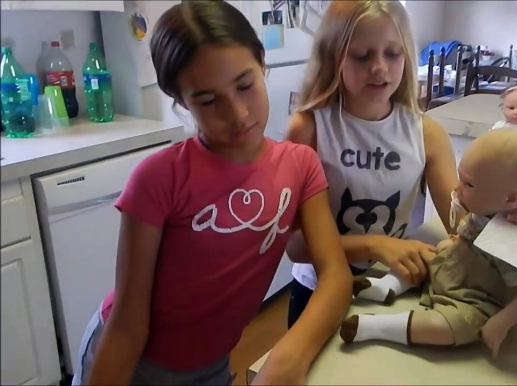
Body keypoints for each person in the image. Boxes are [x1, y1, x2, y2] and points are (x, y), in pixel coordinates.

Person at [71, 2, 352, 385]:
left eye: (245, 85)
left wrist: (289, 355)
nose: (238, 114)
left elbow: (334, 273)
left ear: (262, 64)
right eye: (208, 100)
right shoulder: (158, 179)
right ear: (181, 100)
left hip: (213, 366)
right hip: (134, 365)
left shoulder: (300, 166)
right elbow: (127, 325)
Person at [285, 0, 517, 329]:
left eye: (393, 53)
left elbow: (462, 227)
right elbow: (296, 245)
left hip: (396, 286)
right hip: (317, 289)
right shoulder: (309, 129)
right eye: (362, 55)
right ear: (333, 56)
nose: (380, 67)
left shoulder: (425, 132)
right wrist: (376, 244)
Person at [340, 129, 517, 359]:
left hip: (476, 298)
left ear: (510, 198)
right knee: (416, 255)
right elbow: (465, 235)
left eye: (469, 185)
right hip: (455, 267)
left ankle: (376, 327)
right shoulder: (485, 209)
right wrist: (451, 245)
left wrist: (501, 323)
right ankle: (386, 287)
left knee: (449, 328)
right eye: (461, 177)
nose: (457, 188)